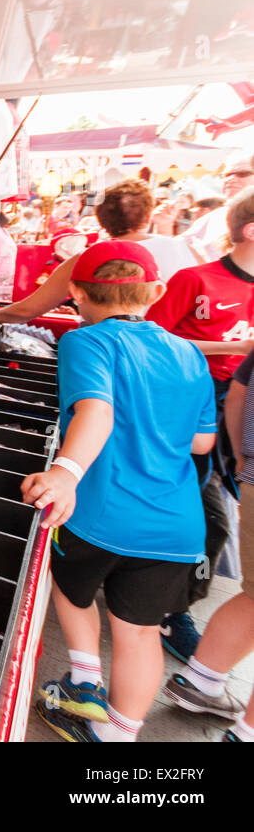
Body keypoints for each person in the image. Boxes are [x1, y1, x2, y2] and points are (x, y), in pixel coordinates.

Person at [26, 240, 216, 742]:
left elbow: (97, 411)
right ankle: (118, 734)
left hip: (100, 513)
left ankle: (85, 681)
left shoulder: (85, 341)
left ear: (74, 293)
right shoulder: (190, 352)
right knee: (139, 632)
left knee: (67, 584)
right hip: (175, 527)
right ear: (155, 292)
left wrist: (65, 471)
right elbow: (202, 441)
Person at [146, 186, 254, 660]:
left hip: (243, 412)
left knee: (219, 520)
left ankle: (176, 605)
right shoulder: (196, 279)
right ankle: (169, 609)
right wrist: (232, 352)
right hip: (192, 403)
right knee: (209, 518)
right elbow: (153, 338)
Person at [161, 344, 254, 742]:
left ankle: (200, 678)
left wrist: (239, 455)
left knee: (217, 541)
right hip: (206, 454)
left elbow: (236, 394)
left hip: (244, 466)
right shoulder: (194, 281)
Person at [0, 179, 200, 324]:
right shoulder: (187, 250)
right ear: (149, 215)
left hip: (106, 358)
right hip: (178, 361)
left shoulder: (91, 257)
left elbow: (27, 311)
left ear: (101, 219)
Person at [178, 155, 254, 261]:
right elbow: (178, 246)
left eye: (243, 174)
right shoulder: (215, 216)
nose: (231, 179)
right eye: (227, 175)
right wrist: (165, 225)